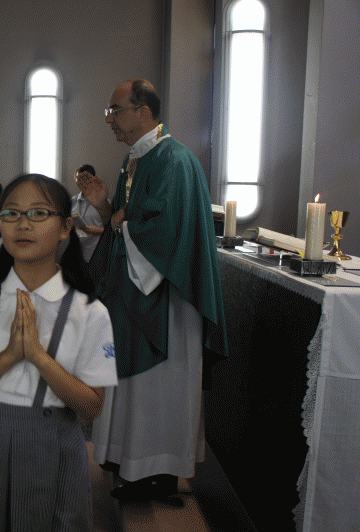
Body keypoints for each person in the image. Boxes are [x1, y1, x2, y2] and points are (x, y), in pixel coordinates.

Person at [0, 174, 117, 531]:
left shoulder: (89, 311)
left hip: (55, 440)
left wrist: (39, 357)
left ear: (65, 228)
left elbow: (91, 408)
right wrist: (9, 355)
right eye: (12, 214)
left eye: (38, 213)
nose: (23, 224)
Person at [88, 79, 227, 503]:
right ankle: (131, 465)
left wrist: (121, 222)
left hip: (166, 299)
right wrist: (105, 208)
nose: (110, 119)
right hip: (134, 291)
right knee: (134, 388)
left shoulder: (174, 160)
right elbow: (124, 222)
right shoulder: (135, 159)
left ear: (143, 111)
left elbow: (167, 231)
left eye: (115, 110)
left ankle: (159, 472)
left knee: (162, 389)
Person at [71, 164, 107, 262]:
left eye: (85, 179)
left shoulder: (103, 202)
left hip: (96, 253)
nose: (81, 182)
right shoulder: (72, 201)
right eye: (78, 179)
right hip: (76, 253)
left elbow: (112, 230)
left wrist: (95, 231)